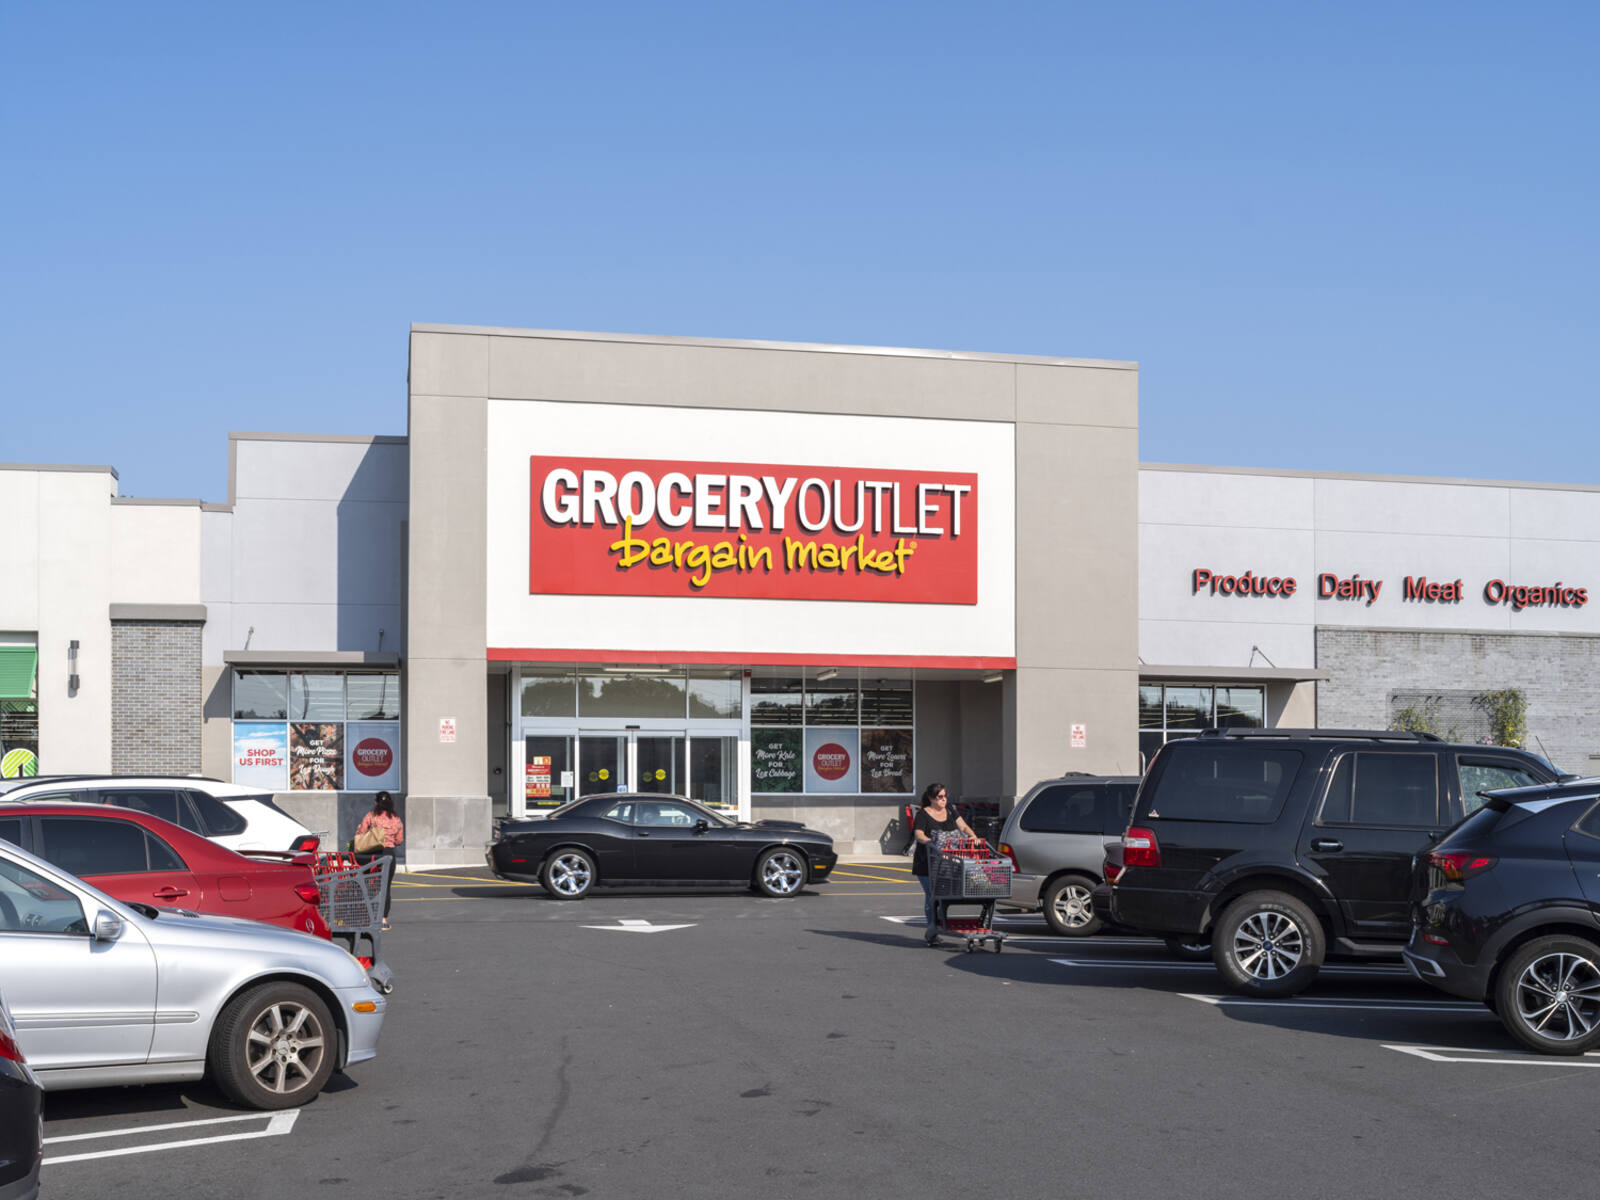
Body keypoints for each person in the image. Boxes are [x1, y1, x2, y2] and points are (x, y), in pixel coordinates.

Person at [911, 781, 982, 946]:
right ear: (931, 798)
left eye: (945, 796)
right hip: (927, 862)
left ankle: (940, 924)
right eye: (940, 797)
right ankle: (932, 931)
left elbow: (963, 826)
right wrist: (931, 842)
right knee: (932, 897)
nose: (944, 800)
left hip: (948, 862)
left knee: (944, 895)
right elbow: (918, 834)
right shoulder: (923, 814)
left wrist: (973, 836)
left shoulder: (950, 809)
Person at [353, 791, 404, 930]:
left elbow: (361, 834)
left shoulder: (371, 817)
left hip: (372, 855)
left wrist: (359, 830)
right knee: (385, 887)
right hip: (388, 854)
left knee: (369, 885)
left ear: (376, 803)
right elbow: (399, 840)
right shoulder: (396, 819)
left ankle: (367, 916)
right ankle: (383, 920)